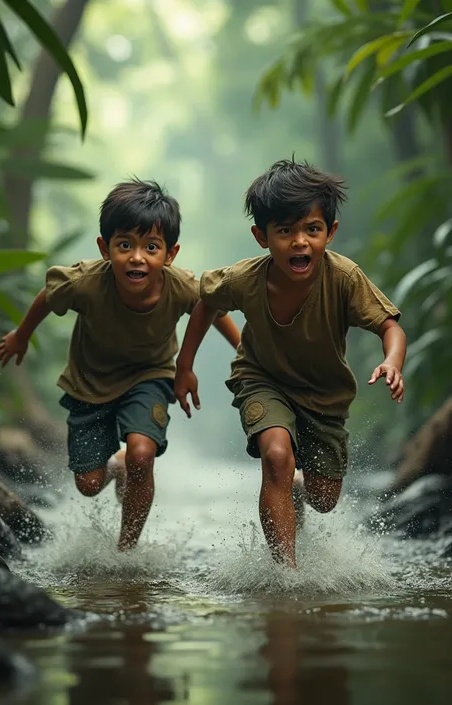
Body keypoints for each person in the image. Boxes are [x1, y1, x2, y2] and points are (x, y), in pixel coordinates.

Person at [174, 158, 406, 568]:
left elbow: (390, 326)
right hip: (262, 379)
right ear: (262, 237)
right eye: (285, 231)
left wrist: (392, 361)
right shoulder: (245, 278)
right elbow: (207, 302)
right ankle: (287, 573)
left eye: (311, 230)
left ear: (329, 233)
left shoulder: (344, 279)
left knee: (323, 499)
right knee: (277, 456)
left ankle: (296, 489)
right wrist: (185, 365)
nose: (299, 242)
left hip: (324, 395)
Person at [0, 179, 240, 551]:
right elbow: (48, 296)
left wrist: (243, 351)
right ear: (105, 248)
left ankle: (126, 550)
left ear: (169, 254)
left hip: (151, 377)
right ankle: (117, 464)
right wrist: (21, 335)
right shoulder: (85, 282)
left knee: (143, 454)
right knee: (89, 484)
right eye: (125, 244)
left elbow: (214, 310)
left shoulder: (182, 286)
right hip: (89, 384)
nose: (137, 257)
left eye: (151, 247)